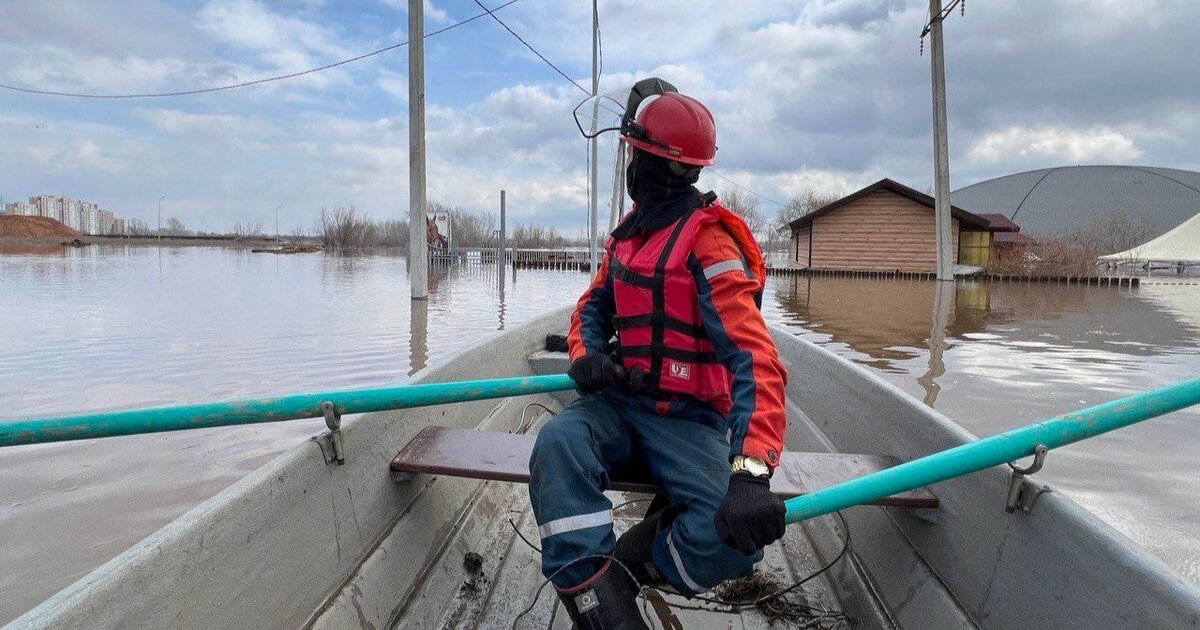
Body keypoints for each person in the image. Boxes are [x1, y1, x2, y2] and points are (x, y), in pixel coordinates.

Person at [528, 80, 789, 629]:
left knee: (735, 539)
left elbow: (754, 358)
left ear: (651, 162)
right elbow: (589, 311)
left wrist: (750, 470)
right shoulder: (626, 237)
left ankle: (627, 566)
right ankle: (600, 604)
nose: (630, 165)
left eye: (633, 154)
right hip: (619, 408)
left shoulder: (707, 243)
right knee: (557, 445)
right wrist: (586, 356)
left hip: (688, 420)